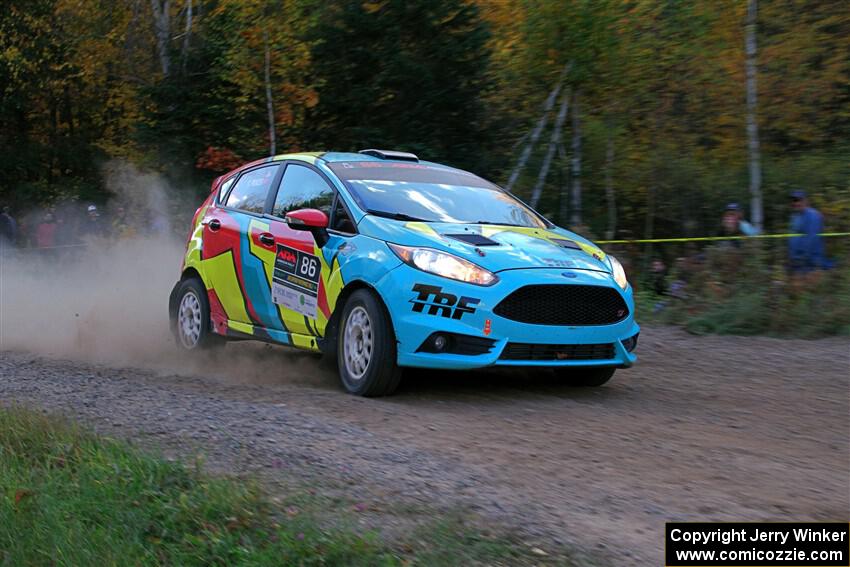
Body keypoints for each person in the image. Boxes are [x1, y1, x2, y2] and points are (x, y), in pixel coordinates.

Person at [788, 190, 830, 273]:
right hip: (797, 262)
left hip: (810, 264)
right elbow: (793, 236)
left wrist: (801, 259)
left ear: (805, 201)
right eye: (794, 200)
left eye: (799, 200)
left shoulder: (813, 215)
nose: (796, 203)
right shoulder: (795, 216)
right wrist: (792, 257)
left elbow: (811, 240)